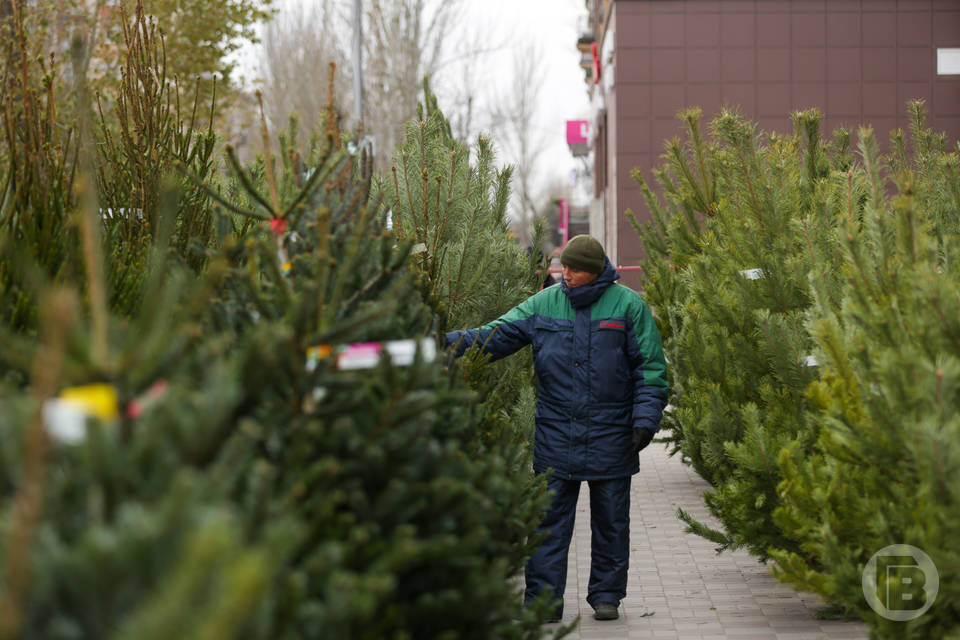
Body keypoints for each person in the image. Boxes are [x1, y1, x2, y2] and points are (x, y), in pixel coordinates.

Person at [445, 235, 668, 622]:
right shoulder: (543, 305)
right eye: (562, 267)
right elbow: (493, 336)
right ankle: (543, 602)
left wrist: (645, 420)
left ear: (596, 271)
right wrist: (441, 344)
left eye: (574, 269)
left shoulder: (629, 307)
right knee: (547, 521)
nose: (565, 275)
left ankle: (606, 595)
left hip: (611, 433)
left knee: (612, 521)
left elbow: (650, 369)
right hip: (555, 434)